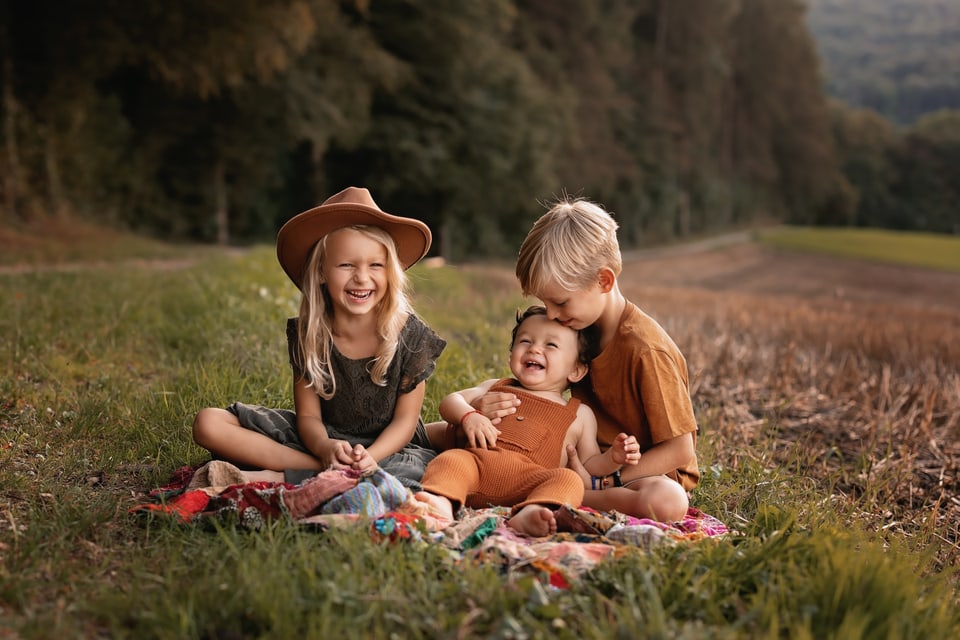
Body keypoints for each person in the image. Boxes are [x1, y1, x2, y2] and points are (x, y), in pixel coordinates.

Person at [192, 187, 446, 492]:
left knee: (417, 473)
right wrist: (325, 448)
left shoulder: (410, 336)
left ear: (390, 272)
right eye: (346, 265)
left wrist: (371, 457)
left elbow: (405, 423)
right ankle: (323, 471)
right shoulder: (310, 334)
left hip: (387, 449)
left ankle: (288, 476)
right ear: (322, 272)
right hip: (322, 441)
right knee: (208, 422)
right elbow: (309, 416)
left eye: (375, 265)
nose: (362, 277)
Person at [463, 195, 699, 523]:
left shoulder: (647, 350)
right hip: (577, 454)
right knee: (460, 432)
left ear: (603, 281)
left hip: (634, 475)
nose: (553, 316)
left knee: (667, 501)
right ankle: (400, 435)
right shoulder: (578, 327)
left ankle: (580, 496)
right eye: (546, 304)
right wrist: (482, 407)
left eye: (560, 302)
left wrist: (606, 479)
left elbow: (680, 451)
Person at [413, 305, 640, 537]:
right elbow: (451, 401)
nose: (535, 349)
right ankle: (441, 501)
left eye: (550, 345)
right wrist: (468, 415)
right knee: (452, 461)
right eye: (525, 341)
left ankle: (535, 510)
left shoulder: (579, 414)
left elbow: (588, 464)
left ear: (576, 370)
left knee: (568, 479)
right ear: (511, 352)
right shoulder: (495, 385)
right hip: (477, 465)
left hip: (529, 483)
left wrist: (612, 459)